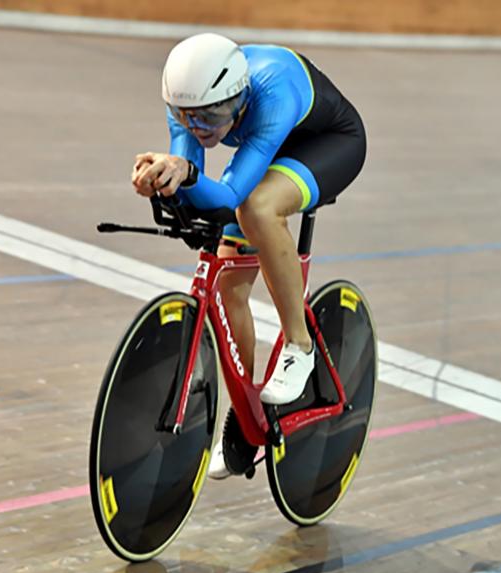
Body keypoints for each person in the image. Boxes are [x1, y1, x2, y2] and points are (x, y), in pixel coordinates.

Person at [132, 33, 366, 478]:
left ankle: (300, 345)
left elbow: (230, 193)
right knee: (227, 288)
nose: (199, 128)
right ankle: (245, 415)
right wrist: (164, 179)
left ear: (237, 99)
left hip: (330, 143)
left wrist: (188, 173)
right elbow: (194, 181)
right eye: (187, 118)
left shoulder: (271, 92)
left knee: (257, 206)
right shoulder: (192, 98)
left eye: (212, 117)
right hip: (269, 147)